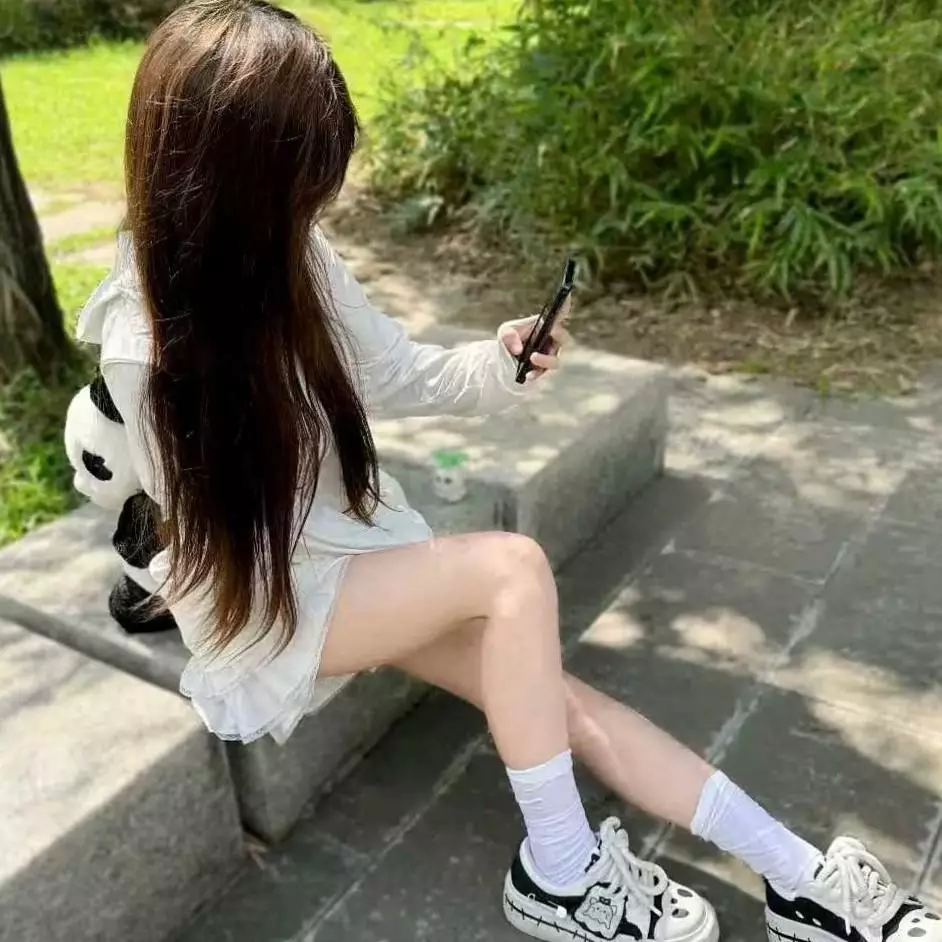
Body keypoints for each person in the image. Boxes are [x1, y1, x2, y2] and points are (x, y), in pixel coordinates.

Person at [67, 3, 941, 941]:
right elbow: (223, 545)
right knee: (509, 570)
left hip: (346, 550)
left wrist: (500, 362)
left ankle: (799, 880)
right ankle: (562, 876)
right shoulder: (148, 347)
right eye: (300, 181)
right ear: (230, 176)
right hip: (272, 598)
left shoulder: (292, 253)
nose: (316, 205)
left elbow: (398, 372)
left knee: (555, 700)